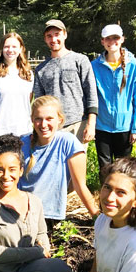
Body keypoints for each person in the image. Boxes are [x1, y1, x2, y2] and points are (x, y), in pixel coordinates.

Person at [0, 134, 71, 272]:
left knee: (60, 270)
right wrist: (36, 252)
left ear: (21, 170)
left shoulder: (34, 201)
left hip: (24, 271)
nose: (5, 176)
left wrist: (44, 248)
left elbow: (41, 234)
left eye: (12, 169)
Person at [19, 96, 100, 231]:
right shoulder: (22, 143)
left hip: (48, 215)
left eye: (49, 119)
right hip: (20, 210)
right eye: (38, 119)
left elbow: (80, 186)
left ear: (59, 120)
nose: (43, 124)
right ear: (32, 119)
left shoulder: (67, 142)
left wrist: (98, 219)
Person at [33, 19, 98, 187]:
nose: (54, 39)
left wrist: (91, 123)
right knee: (55, 169)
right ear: (45, 39)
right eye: (49, 36)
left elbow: (91, 92)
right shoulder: (41, 69)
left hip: (77, 123)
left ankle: (74, 205)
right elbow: (39, 102)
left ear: (65, 35)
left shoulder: (80, 60)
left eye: (57, 34)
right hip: (52, 127)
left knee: (76, 171)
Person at [91, 24, 136, 171]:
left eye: (115, 38)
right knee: (105, 167)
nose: (111, 42)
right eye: (108, 38)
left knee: (123, 168)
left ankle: (122, 193)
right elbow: (90, 96)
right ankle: (105, 193)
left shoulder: (134, 65)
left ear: (122, 39)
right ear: (102, 41)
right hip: (102, 125)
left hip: (124, 126)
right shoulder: (94, 66)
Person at [0, 32, 34, 138]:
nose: (10, 50)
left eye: (14, 46)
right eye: (6, 47)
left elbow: (29, 99)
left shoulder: (28, 74)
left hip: (24, 132)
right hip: (0, 133)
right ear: (1, 49)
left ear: (21, 49)